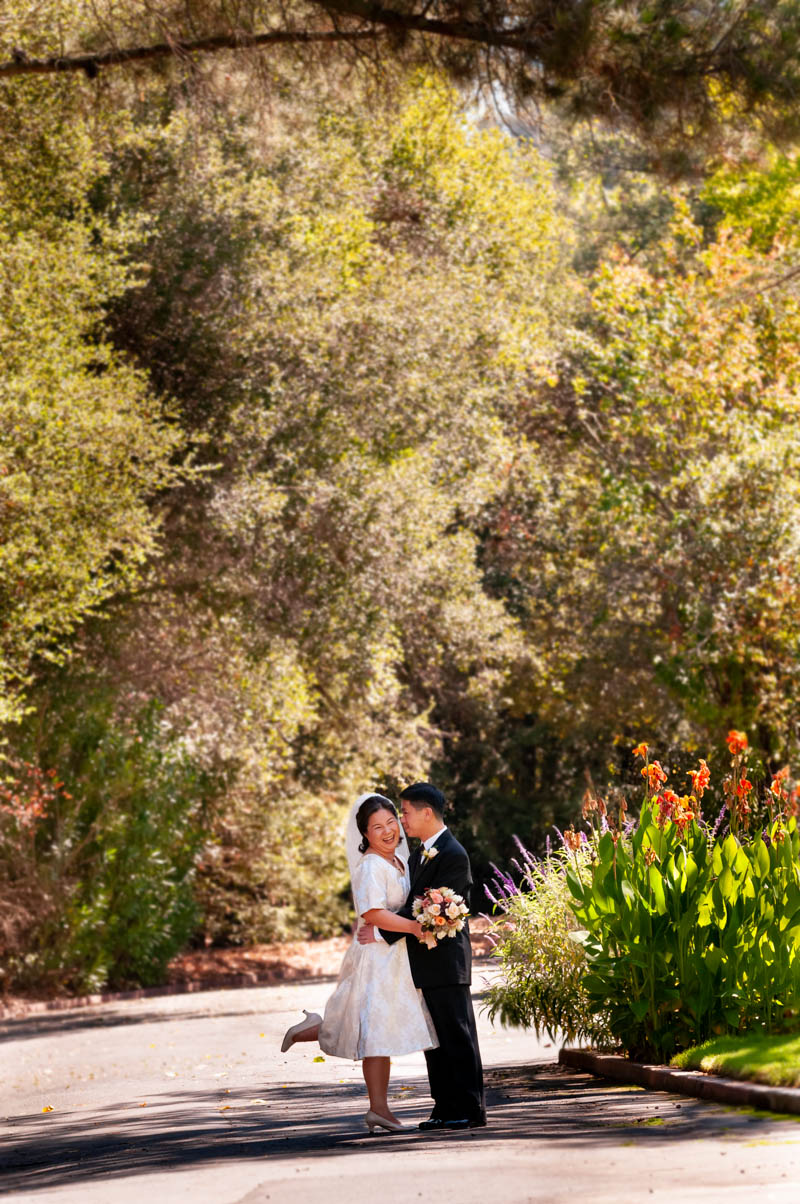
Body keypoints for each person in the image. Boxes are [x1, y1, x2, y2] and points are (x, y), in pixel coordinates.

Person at [280, 793, 438, 1133]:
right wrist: (414, 926)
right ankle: (378, 1109)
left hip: (397, 957)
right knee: (375, 1032)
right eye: (376, 827)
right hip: (378, 960)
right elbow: (372, 913)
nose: (387, 832)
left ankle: (314, 1027)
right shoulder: (371, 866)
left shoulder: (398, 860)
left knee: (374, 1028)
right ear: (364, 835)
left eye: (391, 823)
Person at [358, 782, 486, 1131]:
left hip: (447, 963)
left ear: (426, 812)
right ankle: (444, 1107)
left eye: (405, 812)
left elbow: (438, 912)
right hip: (423, 964)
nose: (402, 820)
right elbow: (416, 909)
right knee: (436, 1041)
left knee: (457, 1036)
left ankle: (469, 1108)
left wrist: (382, 931)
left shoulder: (453, 854)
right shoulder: (417, 855)